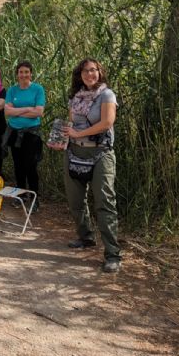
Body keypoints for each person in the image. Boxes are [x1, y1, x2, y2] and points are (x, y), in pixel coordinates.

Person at [63, 58, 121, 273]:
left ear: (100, 72)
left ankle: (112, 254)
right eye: (85, 71)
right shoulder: (75, 98)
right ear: (80, 75)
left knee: (104, 202)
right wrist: (61, 136)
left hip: (100, 153)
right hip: (74, 151)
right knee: (75, 200)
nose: (90, 74)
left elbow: (107, 122)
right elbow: (71, 124)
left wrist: (79, 133)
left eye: (94, 70)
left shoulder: (107, 95)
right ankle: (86, 237)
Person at [4, 61, 45, 207]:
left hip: (31, 135)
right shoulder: (12, 90)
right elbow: (7, 112)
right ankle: (20, 196)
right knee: (18, 166)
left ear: (31, 73)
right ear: (17, 74)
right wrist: (28, 108)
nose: (23, 75)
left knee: (31, 166)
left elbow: (39, 112)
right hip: (15, 134)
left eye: (26, 72)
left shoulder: (37, 89)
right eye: (21, 72)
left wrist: (17, 111)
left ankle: (34, 199)